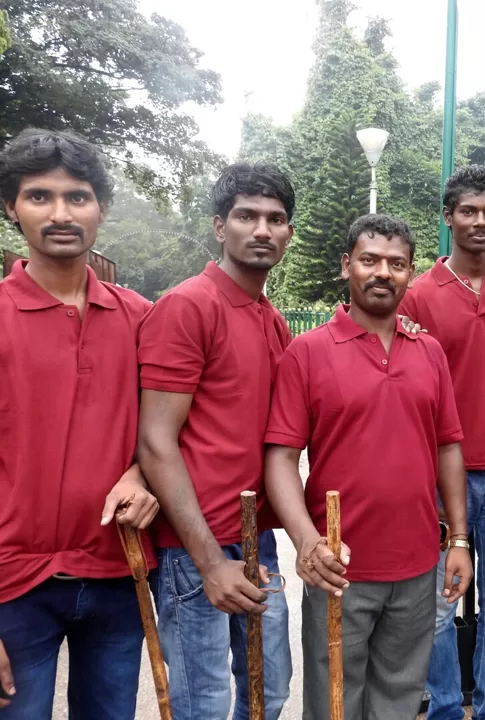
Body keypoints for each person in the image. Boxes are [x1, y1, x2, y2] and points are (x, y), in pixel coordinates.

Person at [263, 213, 473, 720]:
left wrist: (460, 540)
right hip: (340, 567)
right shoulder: (307, 353)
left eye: (397, 264)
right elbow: (281, 458)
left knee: (398, 700)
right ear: (346, 266)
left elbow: (448, 447)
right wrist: (308, 541)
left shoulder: (429, 352)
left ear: (410, 273)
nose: (383, 272)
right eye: (370, 260)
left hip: (418, 565)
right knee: (334, 701)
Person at [0, 129, 159, 718]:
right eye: (39, 196)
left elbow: (176, 429)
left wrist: (143, 475)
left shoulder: (142, 318)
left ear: (102, 208)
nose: (61, 213)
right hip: (13, 584)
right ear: (12, 208)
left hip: (120, 568)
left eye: (79, 197)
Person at [137, 163, 295, 719]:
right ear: (218, 225)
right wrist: (208, 564)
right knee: (202, 704)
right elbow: (155, 441)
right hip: (193, 546)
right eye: (246, 216)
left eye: (275, 219)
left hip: (257, 538)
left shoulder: (271, 319)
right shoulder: (188, 306)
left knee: (269, 692)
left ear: (288, 234)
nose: (261, 230)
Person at [397, 165, 485, 720]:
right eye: (468, 211)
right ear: (448, 217)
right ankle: (442, 709)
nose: (480, 221)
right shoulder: (417, 296)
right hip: (439, 477)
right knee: (437, 607)